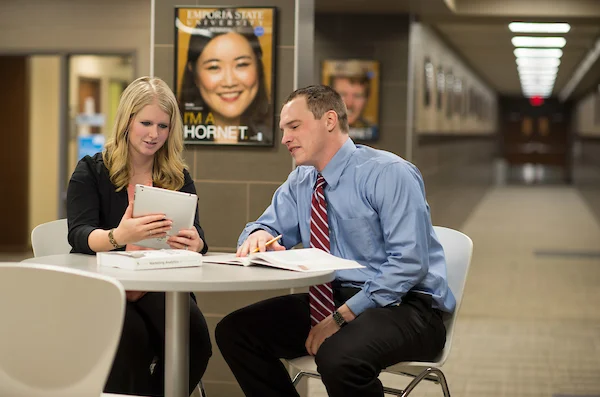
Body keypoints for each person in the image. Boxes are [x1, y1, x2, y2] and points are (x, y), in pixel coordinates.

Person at [215, 85, 455, 397]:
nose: (285, 138)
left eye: (294, 126)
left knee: (339, 358)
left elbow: (408, 264)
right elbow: (264, 226)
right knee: (235, 332)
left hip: (407, 306)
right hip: (333, 299)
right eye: (283, 129)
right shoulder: (302, 181)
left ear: (329, 120)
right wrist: (258, 235)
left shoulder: (389, 174)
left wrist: (340, 318)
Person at [67, 76, 212, 396]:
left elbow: (198, 235)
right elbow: (78, 234)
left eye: (163, 126)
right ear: (126, 121)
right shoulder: (92, 171)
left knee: (195, 342)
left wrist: (196, 243)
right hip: (110, 287)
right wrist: (119, 236)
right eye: (146, 123)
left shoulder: (177, 175)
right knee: (129, 344)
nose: (154, 134)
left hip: (163, 286)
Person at [178, 8, 272, 145]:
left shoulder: (285, 136)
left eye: (241, 64)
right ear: (194, 72)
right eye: (214, 67)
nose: (229, 81)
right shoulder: (170, 140)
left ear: (258, 65)